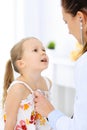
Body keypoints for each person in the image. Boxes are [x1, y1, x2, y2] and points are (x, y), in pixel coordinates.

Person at [34, 0, 87, 130]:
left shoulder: (84, 64)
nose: (68, 31)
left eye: (66, 22)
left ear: (81, 18)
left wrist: (50, 112)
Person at [2, 37, 52, 130]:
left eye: (43, 49)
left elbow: (48, 117)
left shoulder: (47, 83)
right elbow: (10, 121)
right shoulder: (18, 88)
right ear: (21, 63)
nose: (43, 52)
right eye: (35, 50)